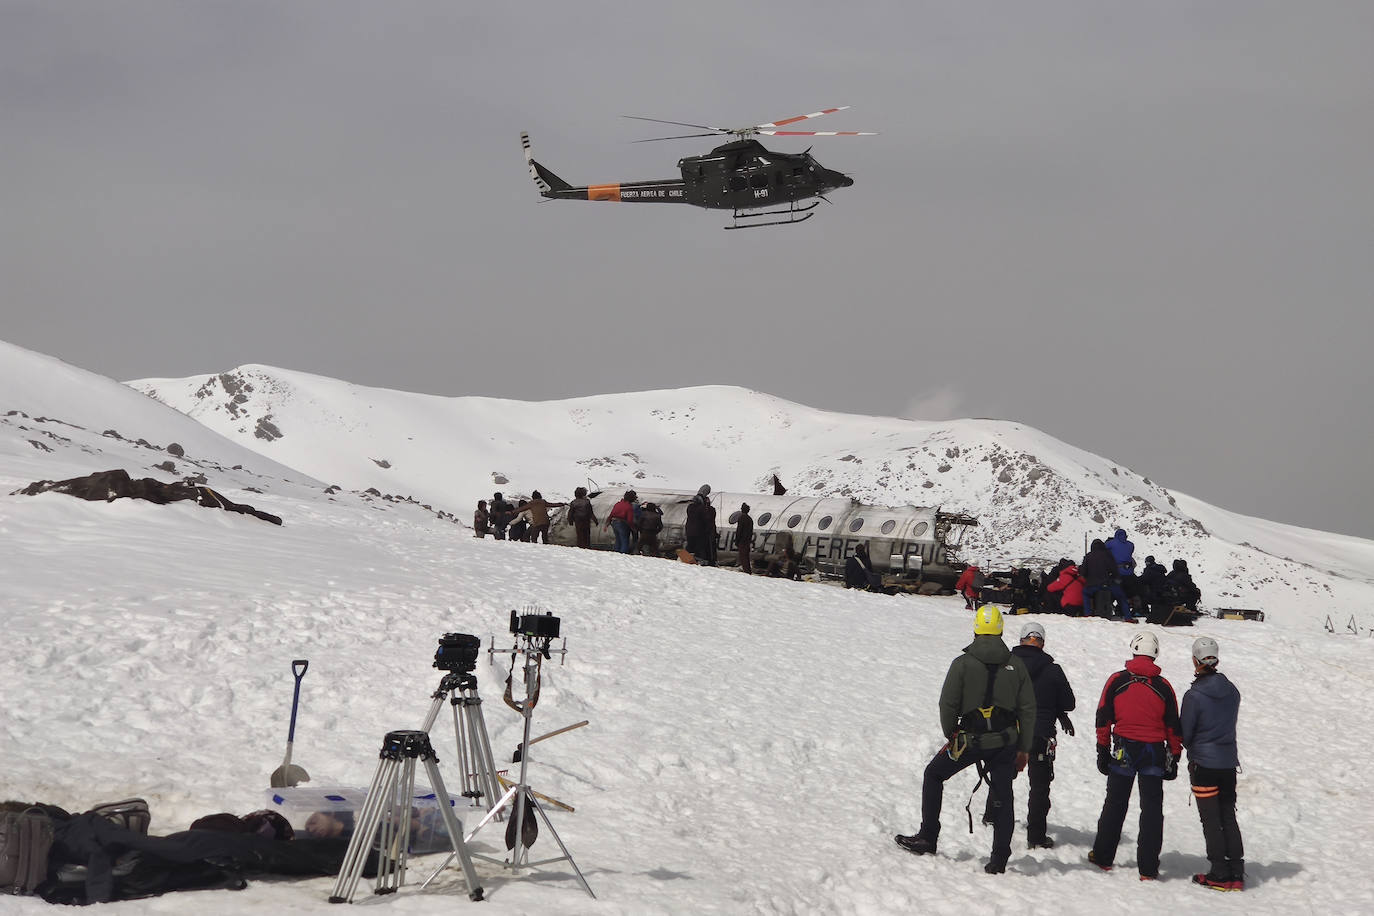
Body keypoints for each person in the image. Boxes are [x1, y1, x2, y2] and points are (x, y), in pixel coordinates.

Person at [895, 605, 1036, 875]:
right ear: (1001, 629)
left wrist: (952, 735)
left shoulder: (962, 663)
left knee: (933, 775)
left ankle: (928, 836)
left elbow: (947, 704)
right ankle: (998, 859)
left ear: (976, 629)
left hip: (969, 741)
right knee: (1004, 797)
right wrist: (1024, 749)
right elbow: (1028, 709)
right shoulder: (1015, 665)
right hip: (1005, 743)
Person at [1089, 630, 1182, 880]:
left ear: (1134, 649)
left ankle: (1103, 856)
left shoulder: (1118, 680)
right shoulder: (1163, 686)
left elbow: (1103, 716)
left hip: (1124, 749)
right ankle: (1148, 868)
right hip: (1153, 751)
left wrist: (1102, 749)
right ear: (1155, 653)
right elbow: (1173, 725)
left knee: (1115, 804)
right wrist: (1175, 756)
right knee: (1151, 809)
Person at [983, 621, 1075, 848]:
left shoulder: (1005, 666)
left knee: (1003, 776)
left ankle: (992, 816)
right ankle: (1036, 836)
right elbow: (1069, 703)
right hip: (1040, 734)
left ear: (1021, 640)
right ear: (1042, 643)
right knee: (1040, 786)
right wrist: (1055, 708)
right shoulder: (1053, 670)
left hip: (1009, 732)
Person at [1181, 636, 1245, 891]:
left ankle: (1219, 872)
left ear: (1196, 660)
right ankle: (1236, 871)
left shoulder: (1194, 696)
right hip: (1228, 764)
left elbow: (1186, 734)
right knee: (1228, 815)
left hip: (1204, 765)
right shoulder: (1232, 690)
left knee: (1211, 820)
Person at [1081, 539, 1129, 619]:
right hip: (1107, 584)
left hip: (1092, 585)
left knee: (1085, 594)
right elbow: (1114, 570)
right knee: (1121, 597)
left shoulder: (1088, 556)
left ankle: (1087, 614)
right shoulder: (1108, 555)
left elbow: (1083, 572)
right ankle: (1128, 617)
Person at [685, 484, 715, 565]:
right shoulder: (702, 509)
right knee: (700, 548)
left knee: (690, 546)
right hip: (699, 532)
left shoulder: (690, 507)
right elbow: (706, 519)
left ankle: (685, 559)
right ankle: (699, 561)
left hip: (689, 530)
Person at [735, 502, 755, 574]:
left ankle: (746, 571)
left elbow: (739, 530)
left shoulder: (741, 518)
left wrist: (737, 540)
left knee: (743, 557)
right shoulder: (750, 519)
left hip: (742, 541)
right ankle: (747, 570)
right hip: (747, 541)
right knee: (746, 557)